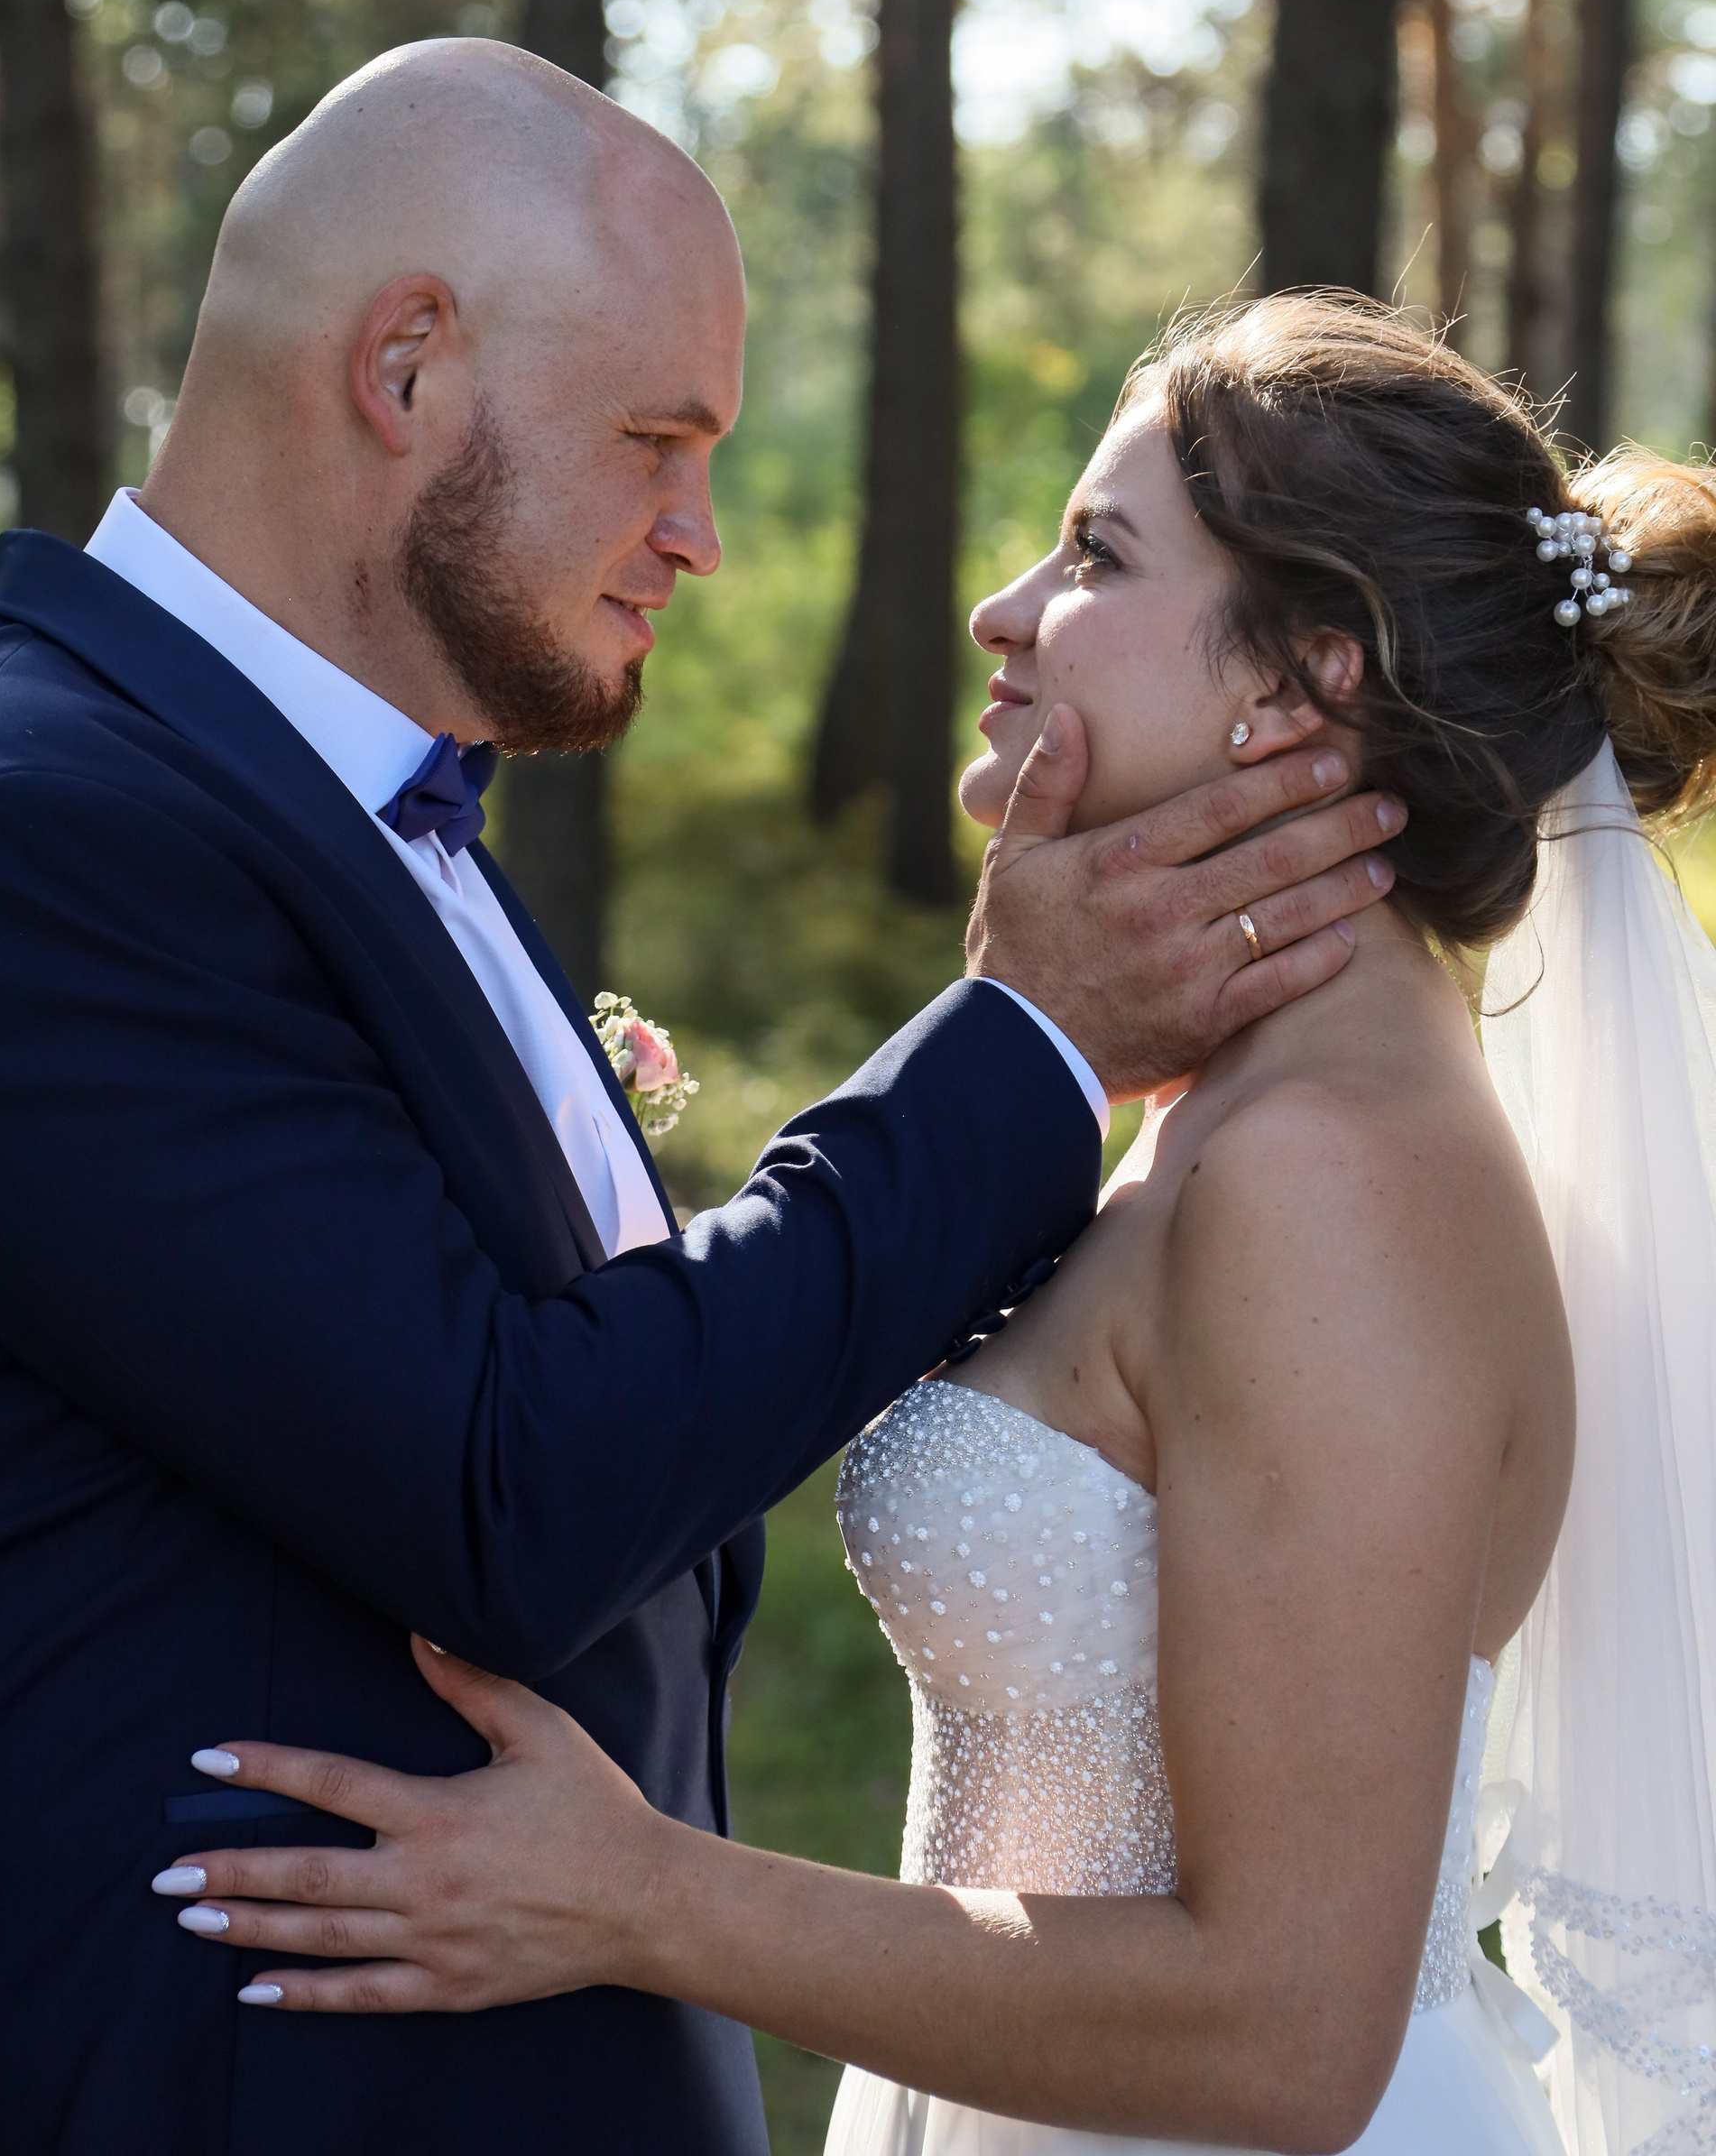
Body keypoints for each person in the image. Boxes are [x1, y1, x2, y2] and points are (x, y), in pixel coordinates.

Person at [0, 47, 1400, 2156]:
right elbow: (510, 1486)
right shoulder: (43, 830)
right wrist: (1028, 1040)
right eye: (657, 440)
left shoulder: (354, 816)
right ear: (405, 368)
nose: (701, 537)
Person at [154, 295, 1716, 2156]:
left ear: (1310, 683)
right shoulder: (1224, 1120)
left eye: (1097, 555)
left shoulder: (1331, 1178)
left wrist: (638, 1896)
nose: (1002, 610)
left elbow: (1293, 2032)